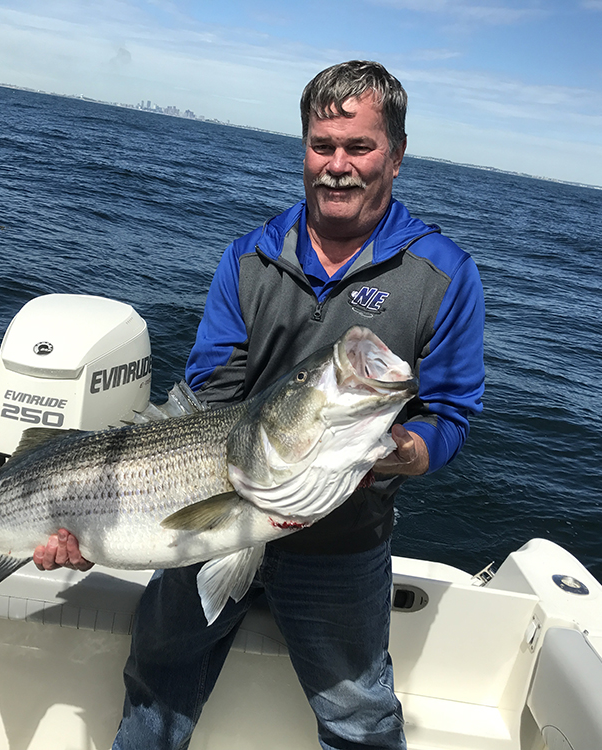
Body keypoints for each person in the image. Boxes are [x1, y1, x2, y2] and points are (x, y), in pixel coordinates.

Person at [35, 60, 485, 750]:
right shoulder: (249, 259)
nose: (337, 166)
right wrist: (99, 526)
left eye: (358, 147)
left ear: (395, 157)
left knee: (360, 718)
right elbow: (210, 394)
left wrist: (401, 453)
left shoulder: (443, 275)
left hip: (341, 539)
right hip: (209, 507)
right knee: (157, 684)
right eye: (321, 145)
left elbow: (449, 413)